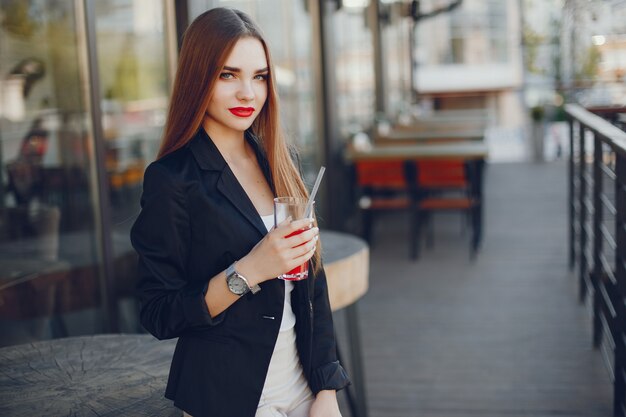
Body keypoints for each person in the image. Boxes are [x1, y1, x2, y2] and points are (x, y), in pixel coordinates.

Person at [131, 7, 350, 417]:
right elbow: (158, 312)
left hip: (302, 383)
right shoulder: (173, 179)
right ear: (199, 79)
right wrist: (248, 271)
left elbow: (312, 285)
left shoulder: (279, 158)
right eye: (228, 75)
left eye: (260, 76)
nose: (248, 93)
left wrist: (326, 389)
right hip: (228, 395)